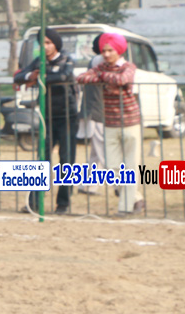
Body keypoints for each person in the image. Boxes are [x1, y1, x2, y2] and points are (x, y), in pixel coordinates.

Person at [14, 28, 77, 214]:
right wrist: (30, 76)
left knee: (66, 160)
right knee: (42, 159)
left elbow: (63, 76)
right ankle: (35, 202)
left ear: (56, 44)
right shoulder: (39, 61)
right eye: (42, 43)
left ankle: (63, 203)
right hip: (46, 116)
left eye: (49, 43)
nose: (45, 47)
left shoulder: (66, 59)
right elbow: (18, 76)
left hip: (67, 116)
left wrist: (40, 78)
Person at [78, 32, 142, 215]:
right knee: (112, 167)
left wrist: (101, 77)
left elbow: (123, 79)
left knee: (130, 166)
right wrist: (106, 77)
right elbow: (82, 78)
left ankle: (126, 207)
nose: (106, 54)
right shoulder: (101, 67)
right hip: (110, 123)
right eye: (104, 51)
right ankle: (136, 199)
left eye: (110, 50)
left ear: (119, 51)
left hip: (130, 122)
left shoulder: (128, 66)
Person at [77, 35, 105, 195]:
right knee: (104, 151)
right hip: (98, 111)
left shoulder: (96, 61)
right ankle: (120, 186)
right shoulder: (99, 61)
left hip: (96, 110)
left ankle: (88, 185)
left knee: (97, 151)